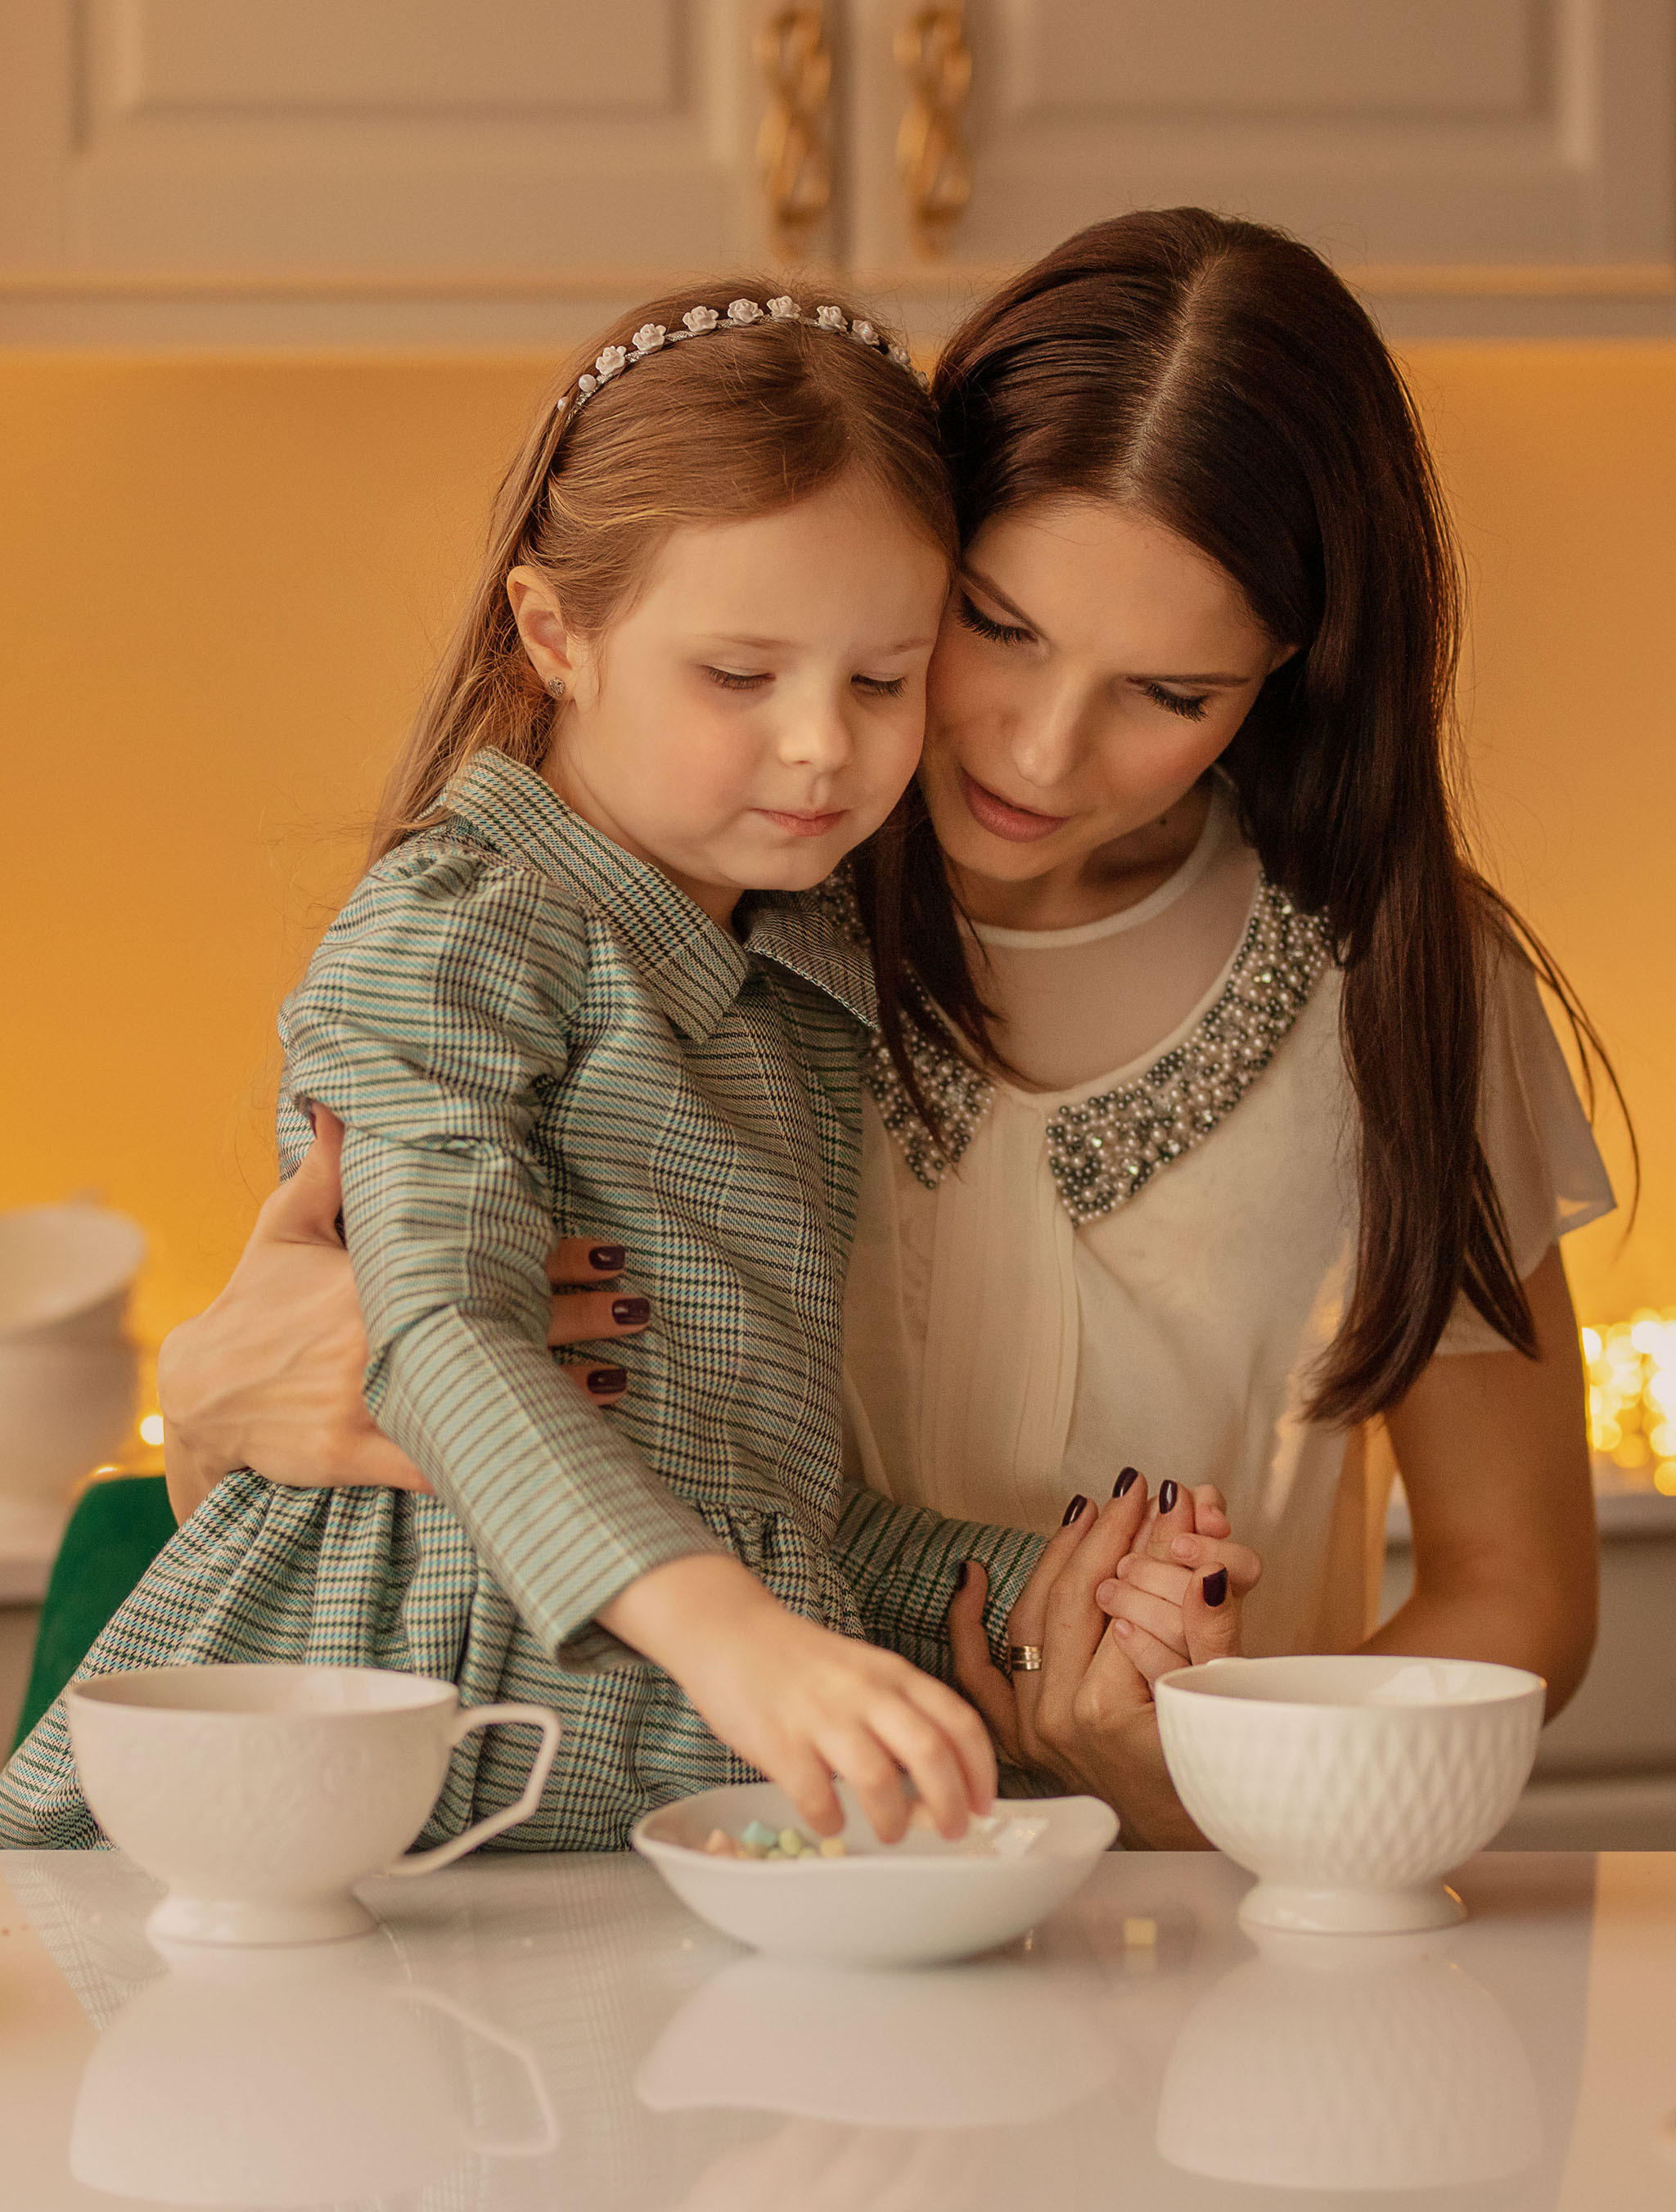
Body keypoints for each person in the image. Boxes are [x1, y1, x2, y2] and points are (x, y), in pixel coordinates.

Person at [157, 213, 1615, 1849]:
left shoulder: (1402, 978)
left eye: (1170, 695)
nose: (1041, 752)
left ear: (1287, 671)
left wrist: (1196, 1767)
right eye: (997, 625)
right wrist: (208, 1399)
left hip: (1107, 1890)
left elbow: (1518, 1585)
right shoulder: (706, 907)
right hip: (709, 1851)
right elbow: (362, 1454)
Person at [0, 281, 1078, 1855]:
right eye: (739, 675)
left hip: (639, 1793)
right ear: (556, 633)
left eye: (879, 679)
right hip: (371, 1764)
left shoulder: (799, 1003)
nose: (821, 745)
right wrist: (731, 1636)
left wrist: (1040, 1591)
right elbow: (433, 1331)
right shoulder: (462, 925)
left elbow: (758, 1501)